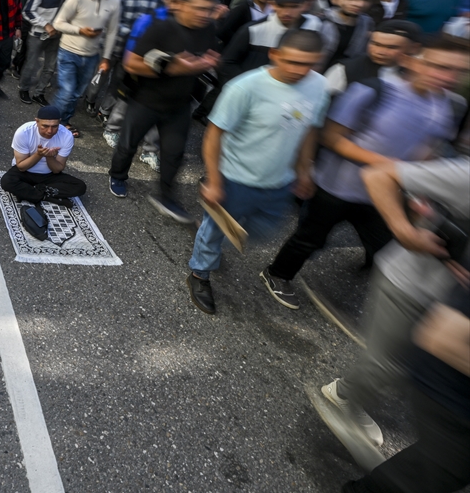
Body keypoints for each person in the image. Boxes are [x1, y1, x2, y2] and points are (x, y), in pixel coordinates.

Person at [259, 34, 468, 309]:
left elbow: (429, 148)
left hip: (386, 195)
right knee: (309, 239)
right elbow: (331, 137)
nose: (449, 77)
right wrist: (390, 167)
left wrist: (418, 187)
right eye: (440, 66)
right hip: (336, 188)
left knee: (387, 245)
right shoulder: (373, 89)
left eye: (460, 70)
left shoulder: (452, 105)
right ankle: (277, 274)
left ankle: (376, 287)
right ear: (412, 62)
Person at [331, 156, 470, 493]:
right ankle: (341, 396)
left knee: (402, 370)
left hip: (445, 305)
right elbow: (379, 176)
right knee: (387, 367)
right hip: (409, 288)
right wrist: (406, 233)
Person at [185, 30, 329, 315]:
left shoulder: (320, 86)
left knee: (261, 231)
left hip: (280, 182)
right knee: (215, 231)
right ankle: (200, 274)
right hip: (236, 179)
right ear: (275, 55)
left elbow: (310, 130)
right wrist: (214, 179)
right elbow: (214, 134)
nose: (299, 71)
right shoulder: (245, 87)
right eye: (292, 62)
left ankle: (210, 243)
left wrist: (304, 170)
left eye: (308, 64)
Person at [109, 0, 220, 223]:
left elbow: (209, 56)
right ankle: (117, 176)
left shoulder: (208, 29)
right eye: (198, 8)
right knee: (128, 144)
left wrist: (206, 63)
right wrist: (175, 68)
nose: (203, 14)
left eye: (208, 10)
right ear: (182, 6)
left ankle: (167, 196)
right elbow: (131, 64)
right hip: (145, 101)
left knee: (174, 153)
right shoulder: (160, 27)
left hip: (179, 105)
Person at [51, 0, 120, 133]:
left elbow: (112, 32)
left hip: (91, 56)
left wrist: (105, 58)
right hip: (68, 52)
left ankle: (64, 121)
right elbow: (58, 23)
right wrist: (80, 30)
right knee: (66, 92)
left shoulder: (114, 2)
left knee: (76, 94)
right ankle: (50, 123)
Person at [220, 0, 324, 84]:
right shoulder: (253, 29)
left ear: (305, 5)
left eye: (294, 6)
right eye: (282, 6)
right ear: (272, 5)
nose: (287, 12)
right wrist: (251, 85)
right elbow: (227, 62)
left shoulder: (314, 25)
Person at [0, 105, 86, 206]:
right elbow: (22, 167)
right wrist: (39, 154)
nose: (50, 131)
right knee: (7, 181)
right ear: (37, 122)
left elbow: (57, 170)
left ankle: (32, 193)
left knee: (80, 186)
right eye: (45, 126)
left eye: (54, 126)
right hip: (25, 172)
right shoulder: (23, 132)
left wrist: (49, 157)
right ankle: (47, 195)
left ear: (60, 122)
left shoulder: (66, 136)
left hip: (49, 175)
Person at [19, 0, 74, 105]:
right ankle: (24, 88)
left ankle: (39, 92)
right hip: (38, 34)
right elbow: (28, 11)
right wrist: (45, 24)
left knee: (50, 67)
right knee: (32, 64)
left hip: (57, 35)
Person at [323, 19, 420, 96]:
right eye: (376, 44)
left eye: (391, 47)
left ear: (414, 48)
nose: (380, 52)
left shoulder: (419, 75)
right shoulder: (345, 69)